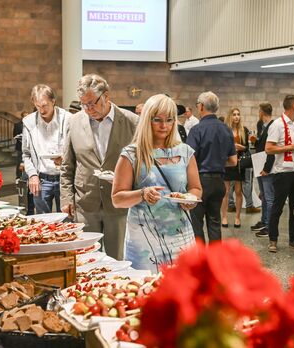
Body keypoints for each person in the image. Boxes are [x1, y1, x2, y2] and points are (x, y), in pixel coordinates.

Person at [111, 94, 201, 272]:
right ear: (147, 120)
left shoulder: (185, 152)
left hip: (181, 238)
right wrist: (142, 194)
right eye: (157, 120)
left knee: (182, 292)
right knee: (146, 293)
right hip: (144, 242)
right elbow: (117, 199)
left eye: (169, 120)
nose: (164, 126)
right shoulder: (132, 154)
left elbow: (196, 188)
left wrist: (188, 199)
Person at [61, 74, 138, 260]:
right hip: (86, 203)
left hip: (119, 204)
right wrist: (66, 197)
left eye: (92, 103)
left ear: (106, 96)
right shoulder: (74, 121)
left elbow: (140, 165)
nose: (88, 109)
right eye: (83, 104)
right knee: (86, 259)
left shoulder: (132, 122)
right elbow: (67, 164)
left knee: (117, 259)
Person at [186, 91, 237, 243]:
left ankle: (200, 262)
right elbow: (233, 161)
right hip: (219, 182)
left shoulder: (197, 130)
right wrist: (218, 162)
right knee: (215, 223)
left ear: (201, 107)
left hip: (200, 182)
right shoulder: (226, 129)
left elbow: (189, 159)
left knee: (197, 224)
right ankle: (215, 262)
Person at [265, 94, 294, 253]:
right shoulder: (277, 125)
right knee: (278, 207)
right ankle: (273, 239)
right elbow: (268, 149)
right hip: (282, 172)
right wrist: (291, 147)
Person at [22, 84, 71, 214]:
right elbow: (26, 154)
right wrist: (32, 175)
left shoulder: (68, 119)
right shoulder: (28, 122)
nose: (42, 110)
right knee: (43, 221)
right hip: (41, 179)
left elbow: (77, 149)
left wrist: (66, 159)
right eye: (38, 106)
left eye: (44, 105)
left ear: (53, 101)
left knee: (68, 219)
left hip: (64, 179)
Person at [221, 107, 249, 228]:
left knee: (238, 191)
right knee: (225, 192)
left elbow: (247, 147)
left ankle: (237, 217)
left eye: (238, 114)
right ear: (230, 116)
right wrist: (231, 147)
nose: (236, 117)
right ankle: (224, 217)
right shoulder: (224, 130)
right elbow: (220, 146)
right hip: (227, 163)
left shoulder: (244, 130)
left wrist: (241, 147)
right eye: (234, 114)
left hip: (239, 163)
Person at [250, 103, 275, 237]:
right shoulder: (262, 125)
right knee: (264, 196)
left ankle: (270, 226)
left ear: (261, 112)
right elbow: (261, 144)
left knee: (269, 197)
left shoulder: (272, 126)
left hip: (266, 164)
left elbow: (271, 149)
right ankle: (264, 220)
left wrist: (267, 168)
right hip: (259, 161)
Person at [13, 111, 27, 179]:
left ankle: (26, 176)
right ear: (21, 117)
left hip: (27, 146)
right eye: (24, 116)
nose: (26, 117)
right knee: (19, 162)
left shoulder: (30, 124)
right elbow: (14, 135)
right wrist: (19, 137)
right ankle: (18, 177)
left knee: (27, 162)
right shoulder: (17, 125)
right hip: (20, 146)